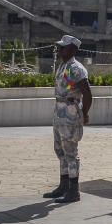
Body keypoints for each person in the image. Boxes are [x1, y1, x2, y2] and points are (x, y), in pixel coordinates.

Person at [43, 35, 92, 204]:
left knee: (70, 152)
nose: (60, 50)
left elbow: (87, 93)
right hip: (59, 112)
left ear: (72, 49)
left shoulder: (75, 68)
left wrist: (84, 114)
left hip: (70, 113)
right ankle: (63, 186)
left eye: (63, 47)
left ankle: (73, 191)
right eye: (60, 47)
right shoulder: (63, 66)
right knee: (60, 151)